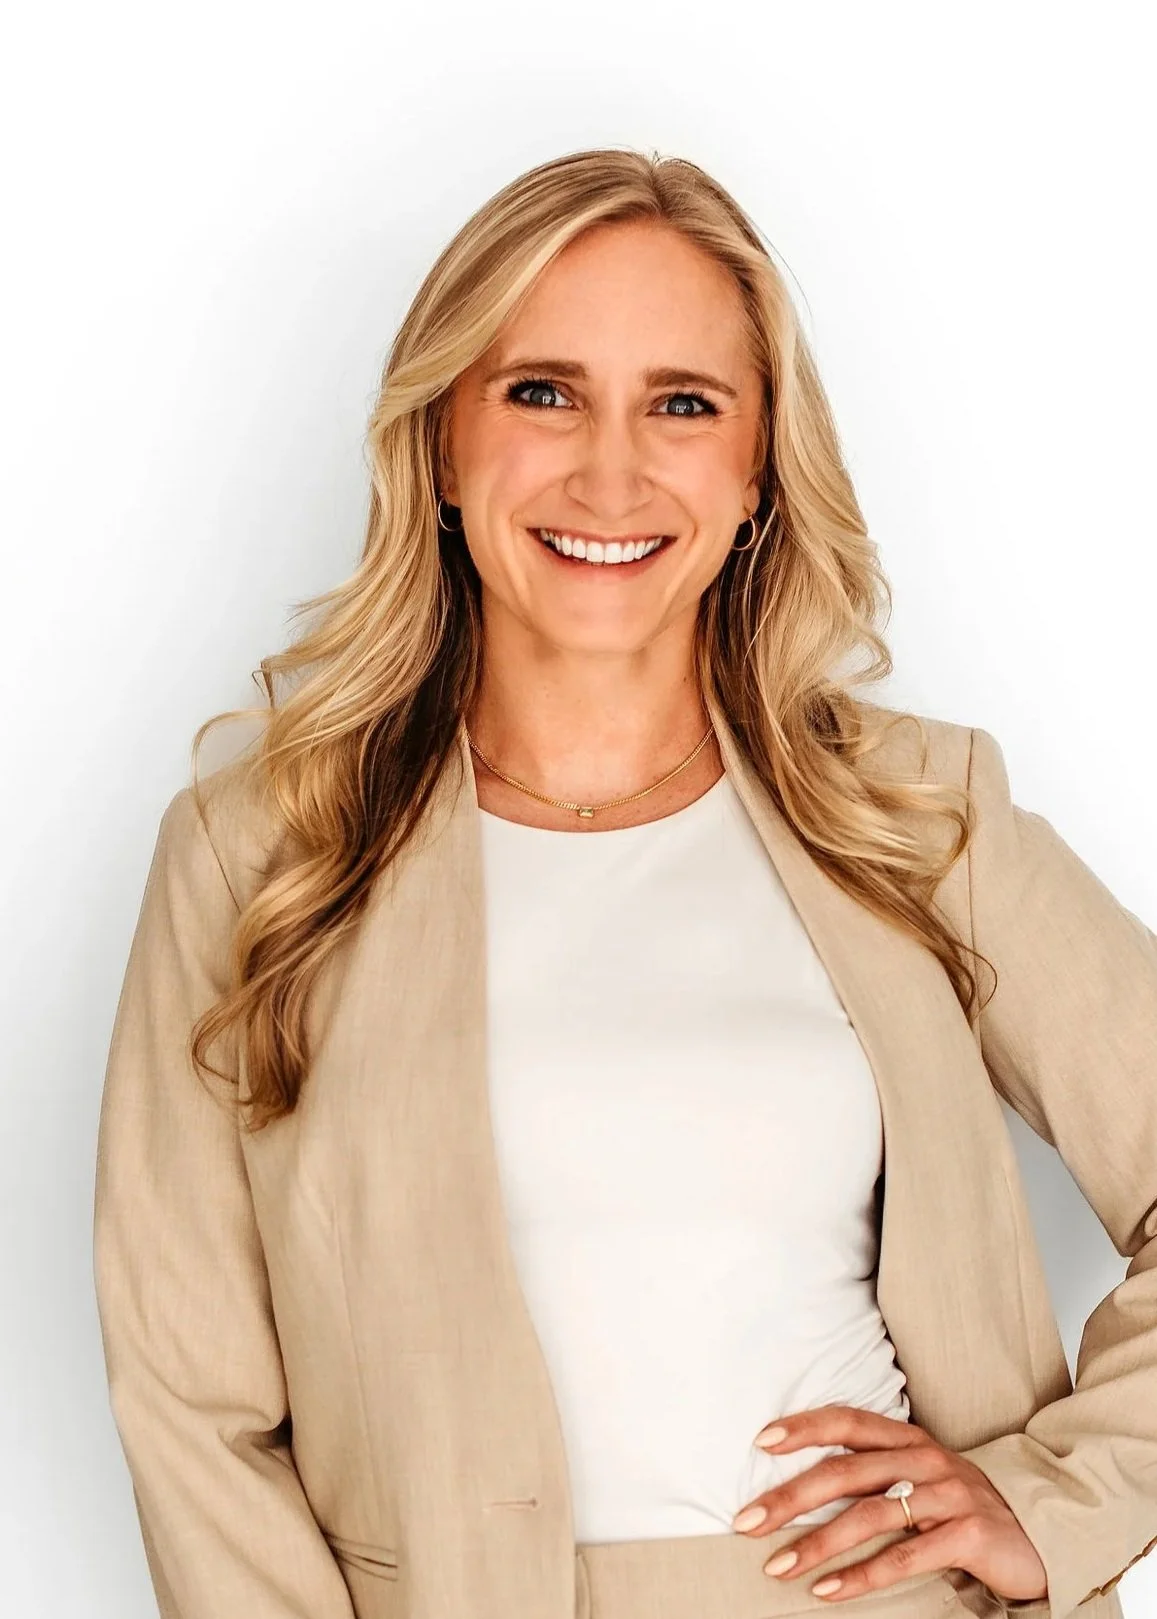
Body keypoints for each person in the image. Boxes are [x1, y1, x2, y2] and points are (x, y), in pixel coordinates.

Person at [92, 147, 1157, 1619]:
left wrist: (1058, 1498)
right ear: (443, 446)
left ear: (759, 469)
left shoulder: (919, 816)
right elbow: (190, 1401)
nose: (611, 469)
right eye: (542, 392)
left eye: (683, 402)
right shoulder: (257, 859)